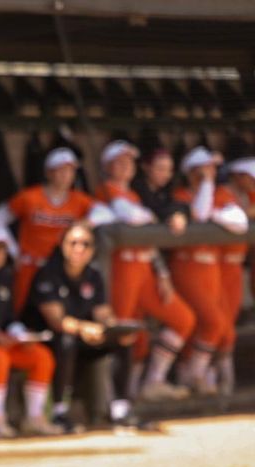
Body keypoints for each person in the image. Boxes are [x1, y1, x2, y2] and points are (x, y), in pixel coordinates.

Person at [94, 140, 196, 411]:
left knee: (182, 318)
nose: (125, 167)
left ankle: (151, 382)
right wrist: (149, 217)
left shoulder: (135, 195)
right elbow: (130, 217)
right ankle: (112, 400)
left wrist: (162, 273)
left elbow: (147, 235)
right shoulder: (104, 192)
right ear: (107, 166)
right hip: (121, 272)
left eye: (129, 162)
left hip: (145, 271)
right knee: (122, 335)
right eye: (119, 162)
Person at [21, 223, 138, 432]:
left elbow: (102, 312)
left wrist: (110, 329)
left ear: (92, 249)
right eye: (73, 243)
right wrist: (86, 328)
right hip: (49, 339)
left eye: (85, 244)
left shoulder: (93, 274)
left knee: (123, 341)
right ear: (62, 245)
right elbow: (57, 321)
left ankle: (120, 410)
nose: (79, 248)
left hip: (85, 336)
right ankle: (59, 411)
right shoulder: (49, 273)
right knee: (65, 342)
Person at [0, 147, 114, 312]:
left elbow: (109, 213)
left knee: (60, 313)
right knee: (20, 310)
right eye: (60, 170)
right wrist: (12, 250)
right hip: (31, 264)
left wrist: (87, 221)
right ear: (49, 173)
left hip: (60, 267)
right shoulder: (30, 197)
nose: (65, 175)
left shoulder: (79, 199)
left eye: (69, 171)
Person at [170, 147, 249, 394]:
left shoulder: (220, 195)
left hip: (213, 269)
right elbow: (201, 214)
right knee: (207, 323)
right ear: (192, 171)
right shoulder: (180, 195)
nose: (211, 172)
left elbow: (240, 222)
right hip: (187, 266)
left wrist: (217, 212)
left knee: (221, 327)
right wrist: (206, 187)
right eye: (205, 168)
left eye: (212, 168)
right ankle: (192, 376)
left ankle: (211, 380)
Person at [0, 230, 60, 437]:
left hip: (2, 343)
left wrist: (20, 333)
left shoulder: (4, 277)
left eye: (1, 249)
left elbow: (8, 318)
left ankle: (34, 417)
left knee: (41, 356)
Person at [214, 157, 255, 395]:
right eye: (248, 178)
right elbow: (237, 219)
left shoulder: (247, 196)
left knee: (228, 323)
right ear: (237, 176)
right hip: (216, 268)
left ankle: (224, 379)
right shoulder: (222, 194)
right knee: (218, 324)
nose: (252, 183)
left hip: (236, 267)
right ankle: (211, 378)